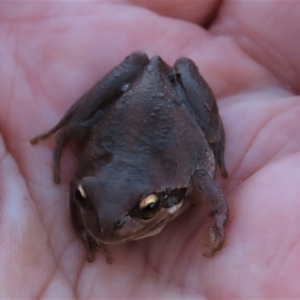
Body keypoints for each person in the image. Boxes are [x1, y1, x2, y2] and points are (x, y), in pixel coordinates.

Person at [1, 1, 299, 298]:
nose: (106, 224)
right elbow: (82, 184)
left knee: (207, 133)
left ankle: (211, 138)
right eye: (84, 199)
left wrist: (219, 214)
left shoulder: (187, 184)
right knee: (84, 136)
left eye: (148, 207)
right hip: (128, 114)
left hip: (175, 106)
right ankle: (69, 124)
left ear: (162, 200)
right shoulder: (91, 187)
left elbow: (204, 183)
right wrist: (81, 223)